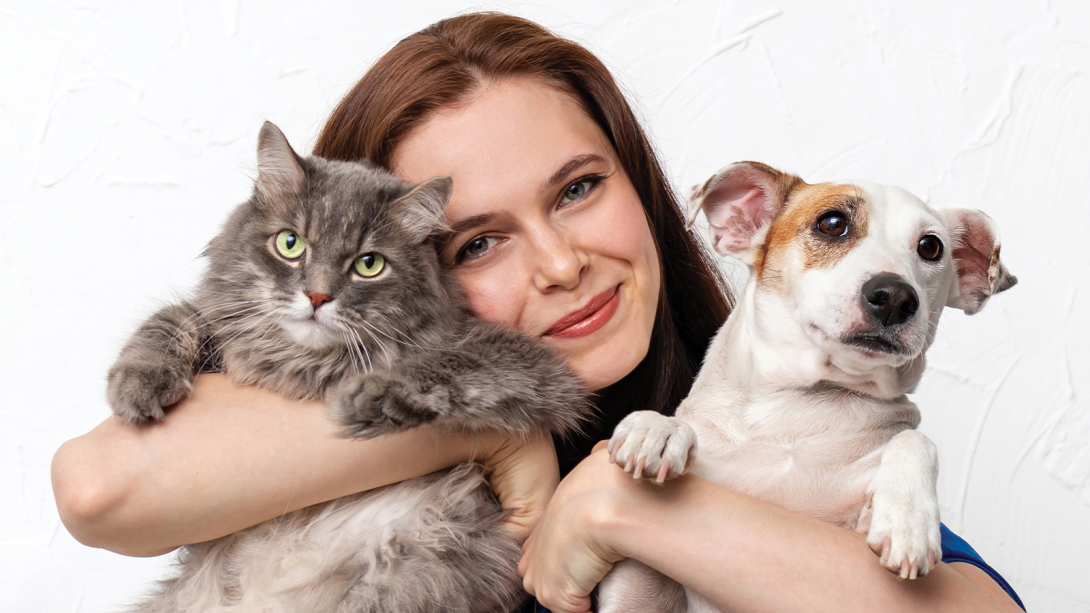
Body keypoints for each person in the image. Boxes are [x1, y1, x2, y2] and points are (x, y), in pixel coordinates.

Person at [52, 12, 1024, 613]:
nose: (561, 262)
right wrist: (497, 434)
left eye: (576, 189)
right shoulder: (347, 440)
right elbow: (100, 487)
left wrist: (617, 503)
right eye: (477, 241)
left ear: (641, 185)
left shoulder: (787, 445)